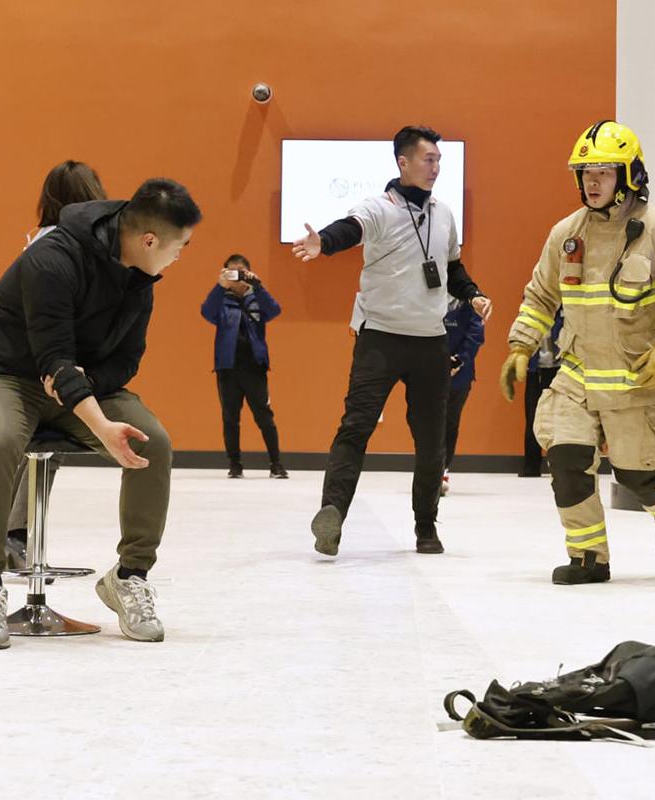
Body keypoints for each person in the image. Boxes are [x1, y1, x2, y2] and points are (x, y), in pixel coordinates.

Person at [0, 178, 202, 649]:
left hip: (79, 385)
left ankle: (129, 576)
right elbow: (53, 358)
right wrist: (99, 422)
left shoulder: (140, 278)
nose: (180, 257)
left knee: (153, 441)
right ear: (149, 240)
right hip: (5, 375)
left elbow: (127, 360)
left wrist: (87, 387)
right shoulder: (52, 259)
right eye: (180, 247)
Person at [501, 120, 655, 585]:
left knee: (636, 475)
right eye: (586, 173)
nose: (592, 182)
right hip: (577, 373)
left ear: (628, 176)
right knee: (566, 461)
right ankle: (589, 558)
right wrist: (521, 345)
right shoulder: (566, 233)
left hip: (634, 375)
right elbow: (541, 296)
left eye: (603, 173)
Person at [292, 125, 492, 556]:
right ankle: (332, 516)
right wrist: (323, 242)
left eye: (439, 160)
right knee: (355, 427)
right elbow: (350, 229)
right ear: (403, 162)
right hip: (380, 338)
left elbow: (451, 267)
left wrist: (473, 294)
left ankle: (426, 527)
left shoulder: (444, 213)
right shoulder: (378, 208)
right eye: (428, 159)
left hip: (430, 341)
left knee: (431, 440)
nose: (435, 167)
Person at [6, 160, 107, 570]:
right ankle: (15, 535)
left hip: (31, 365)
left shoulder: (39, 241)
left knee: (39, 454)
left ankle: (14, 534)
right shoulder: (71, 247)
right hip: (50, 368)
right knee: (47, 448)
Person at [200, 254, 288, 479]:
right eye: (231, 272)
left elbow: (274, 310)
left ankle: (276, 464)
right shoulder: (221, 301)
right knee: (230, 418)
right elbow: (206, 312)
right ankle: (235, 465)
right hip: (227, 368)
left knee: (264, 417)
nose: (237, 277)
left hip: (255, 367)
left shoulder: (256, 298)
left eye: (241, 272)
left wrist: (257, 286)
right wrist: (219, 287)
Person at [440, 296, 485, 496]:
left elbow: (476, 334)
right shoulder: (431, 296)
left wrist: (459, 359)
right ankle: (429, 468)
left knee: (450, 423)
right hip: (432, 370)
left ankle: (442, 471)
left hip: (460, 375)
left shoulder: (471, 301)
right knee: (429, 424)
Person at [520, 310, 562, 477]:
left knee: (561, 418)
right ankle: (531, 466)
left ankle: (559, 465)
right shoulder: (532, 307)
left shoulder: (567, 307)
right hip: (535, 368)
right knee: (532, 416)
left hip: (560, 369)